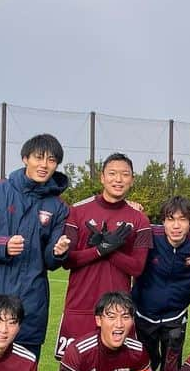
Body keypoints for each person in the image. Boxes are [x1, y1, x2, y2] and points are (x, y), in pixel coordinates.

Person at [0, 133, 71, 359]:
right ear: (25, 158)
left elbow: (49, 260)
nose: (44, 165)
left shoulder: (58, 207)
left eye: (51, 160)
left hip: (29, 309)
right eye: (39, 157)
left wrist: (58, 252)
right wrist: (2, 245)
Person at [58, 152, 150, 359]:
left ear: (132, 179)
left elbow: (137, 268)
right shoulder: (77, 211)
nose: (118, 179)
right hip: (79, 307)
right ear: (102, 177)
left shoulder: (139, 220)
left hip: (118, 313)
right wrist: (100, 249)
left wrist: (109, 249)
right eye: (112, 173)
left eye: (125, 174)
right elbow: (67, 260)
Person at [131, 195, 190, 371]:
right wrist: (129, 208)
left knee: (171, 369)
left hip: (175, 316)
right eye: (170, 219)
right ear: (162, 221)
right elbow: (121, 223)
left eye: (182, 220)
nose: (176, 225)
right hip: (143, 315)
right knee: (146, 364)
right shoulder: (150, 235)